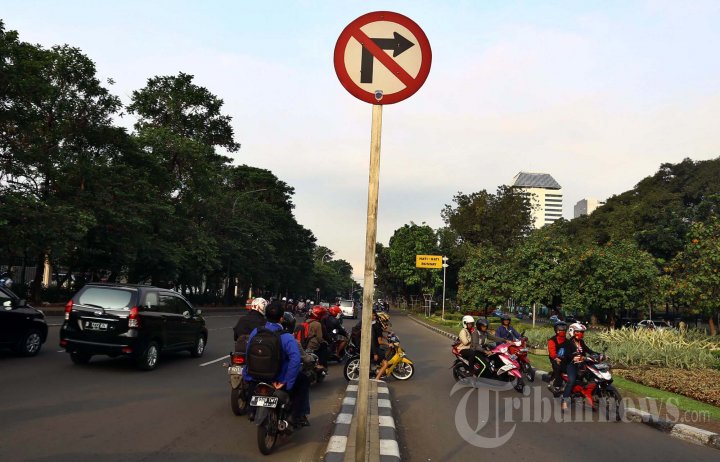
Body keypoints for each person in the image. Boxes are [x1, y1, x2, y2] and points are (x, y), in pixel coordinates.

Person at [243, 300, 310, 427]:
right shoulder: (286, 337)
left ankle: (251, 410)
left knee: (251, 384)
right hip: (278, 379)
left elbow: (248, 354)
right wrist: (286, 382)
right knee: (304, 380)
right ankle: (295, 416)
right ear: (281, 318)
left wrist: (248, 374)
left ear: (266, 316)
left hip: (256, 377)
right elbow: (295, 360)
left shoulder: (256, 332)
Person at [561, 322, 601, 410]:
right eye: (579, 332)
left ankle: (592, 398)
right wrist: (575, 357)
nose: (581, 334)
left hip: (582, 364)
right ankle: (564, 401)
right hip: (571, 365)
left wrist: (599, 354)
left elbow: (589, 351)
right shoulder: (568, 343)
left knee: (594, 377)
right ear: (573, 332)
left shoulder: (581, 342)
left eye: (582, 332)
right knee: (571, 381)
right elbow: (567, 355)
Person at [546, 321, 568, 392]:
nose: (562, 330)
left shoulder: (567, 341)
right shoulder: (552, 340)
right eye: (560, 329)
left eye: (564, 328)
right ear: (556, 330)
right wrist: (556, 358)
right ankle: (557, 385)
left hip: (565, 358)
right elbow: (552, 353)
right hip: (555, 358)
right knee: (559, 368)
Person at [373, 311, 392, 380]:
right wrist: (388, 343)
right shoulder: (377, 327)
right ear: (381, 320)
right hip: (375, 347)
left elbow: (380, 335)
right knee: (386, 364)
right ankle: (377, 379)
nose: (386, 323)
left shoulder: (377, 325)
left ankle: (380, 363)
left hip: (374, 345)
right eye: (385, 321)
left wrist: (387, 337)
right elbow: (380, 341)